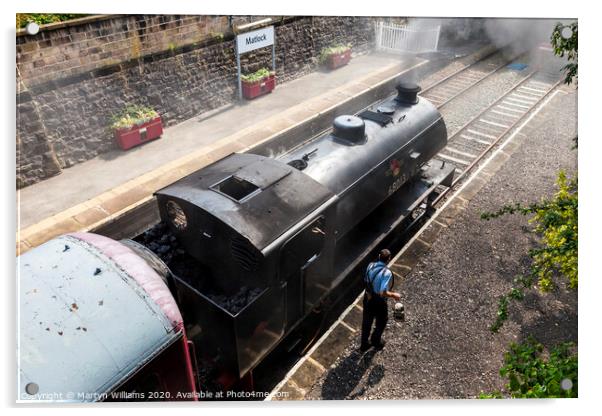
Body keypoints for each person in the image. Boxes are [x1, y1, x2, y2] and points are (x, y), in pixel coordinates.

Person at [360, 249, 401, 352]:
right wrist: (394, 295)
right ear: (388, 259)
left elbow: (366, 279)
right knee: (382, 321)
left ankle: (364, 344)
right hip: (378, 302)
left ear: (379, 256)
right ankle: (375, 341)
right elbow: (383, 292)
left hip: (368, 298)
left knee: (366, 322)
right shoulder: (386, 273)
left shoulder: (370, 265)